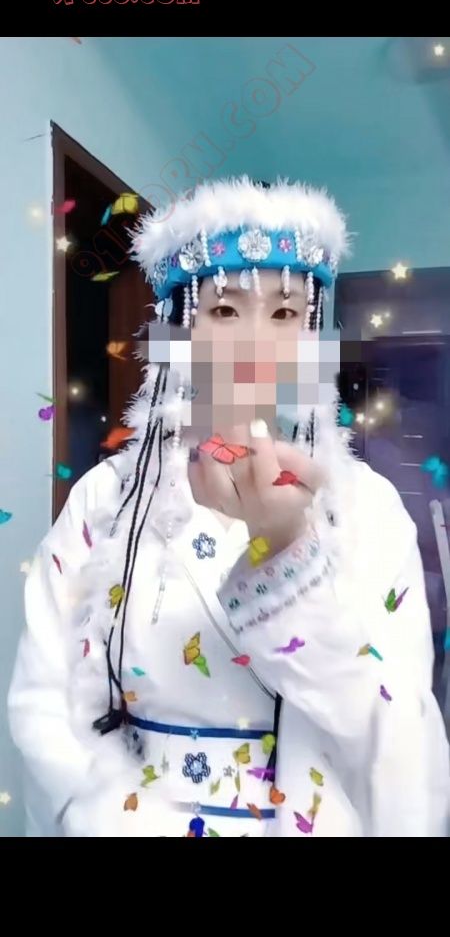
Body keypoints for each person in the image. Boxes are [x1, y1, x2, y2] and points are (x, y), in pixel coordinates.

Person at [8, 176, 450, 837]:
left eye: (284, 315)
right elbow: (47, 708)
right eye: (223, 310)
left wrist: (287, 551)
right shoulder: (106, 500)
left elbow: (401, 752)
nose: (255, 342)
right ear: (177, 333)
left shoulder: (366, 508)